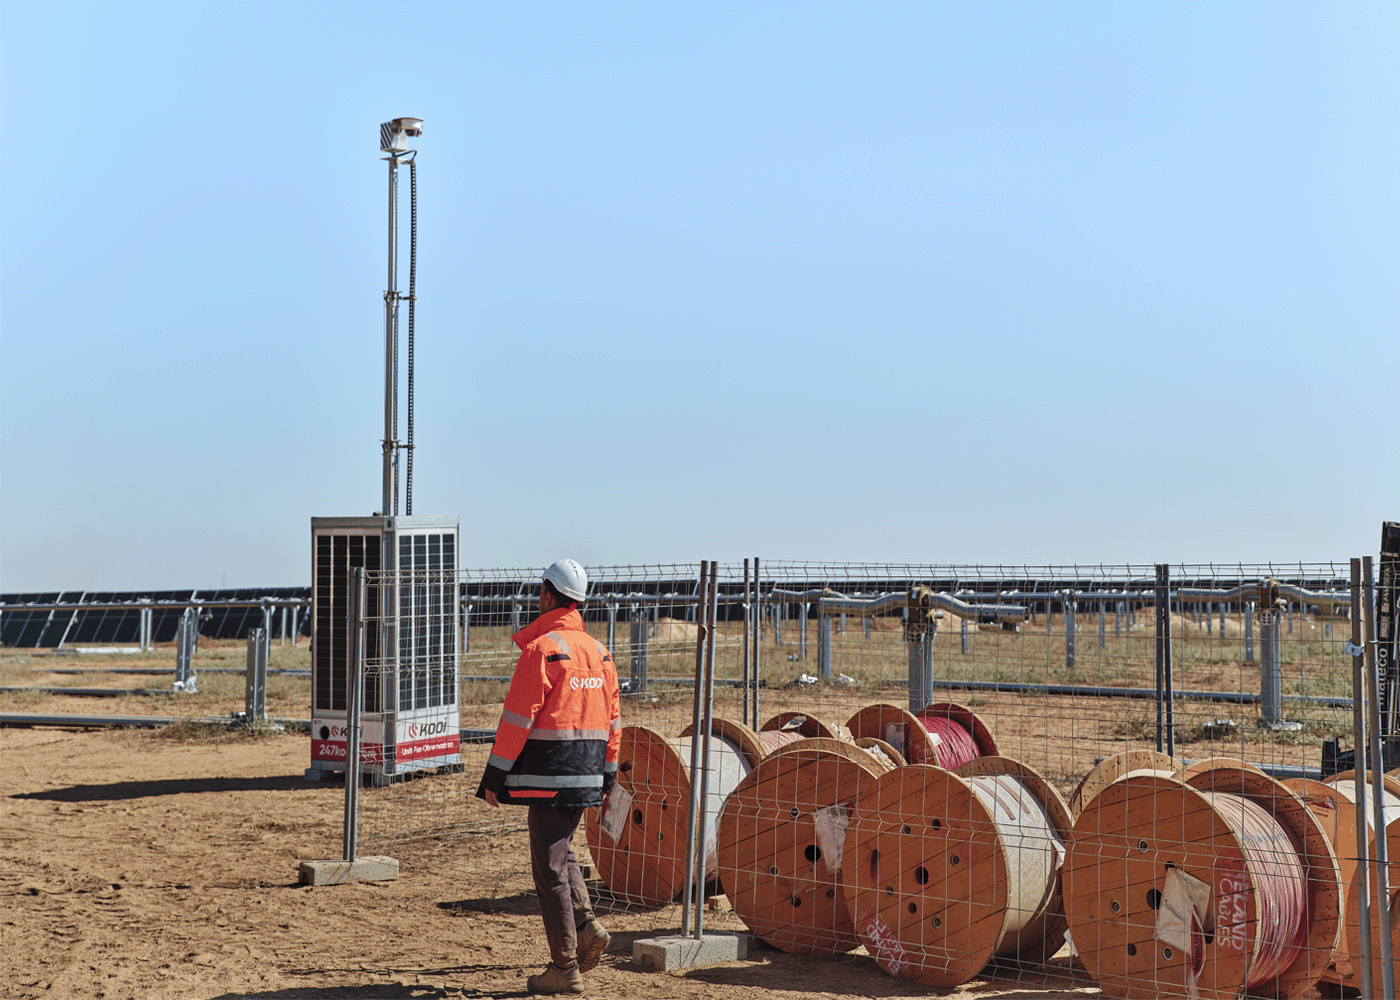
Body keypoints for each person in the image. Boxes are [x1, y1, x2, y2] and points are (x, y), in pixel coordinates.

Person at [477, 558, 621, 995]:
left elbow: (517, 720)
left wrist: (494, 777)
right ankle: (585, 925)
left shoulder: (543, 650)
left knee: (550, 870)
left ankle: (564, 968)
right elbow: (615, 723)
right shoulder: (600, 653)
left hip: (549, 774)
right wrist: (609, 779)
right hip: (588, 775)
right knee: (562, 853)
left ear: (546, 595)